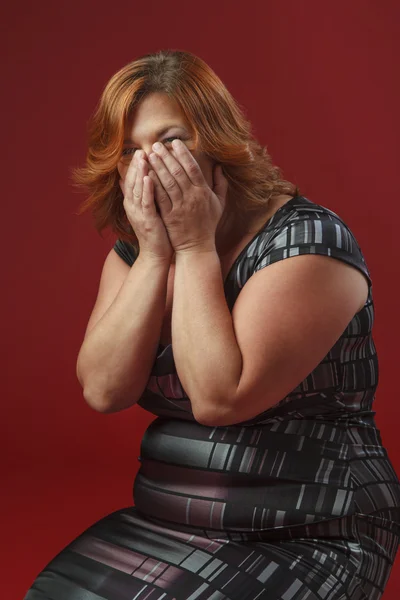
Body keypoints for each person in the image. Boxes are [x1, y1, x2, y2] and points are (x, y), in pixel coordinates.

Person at [24, 49, 400, 600]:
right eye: (131, 151)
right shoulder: (136, 255)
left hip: (311, 532)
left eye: (170, 140)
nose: (150, 164)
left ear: (221, 140)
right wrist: (156, 255)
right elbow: (104, 390)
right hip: (168, 526)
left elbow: (221, 399)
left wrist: (196, 246)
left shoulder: (309, 243)